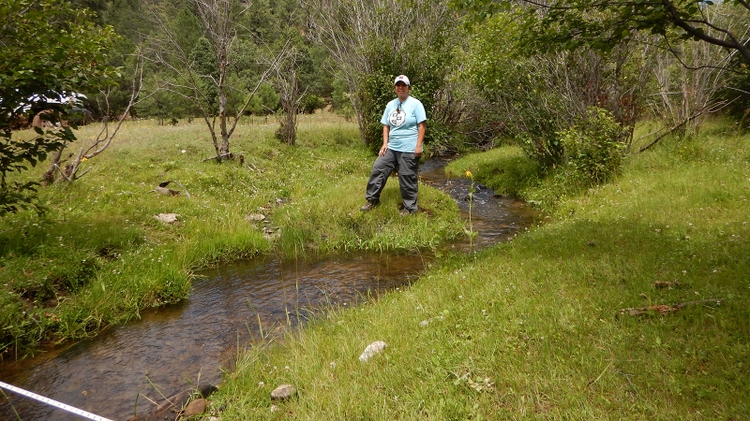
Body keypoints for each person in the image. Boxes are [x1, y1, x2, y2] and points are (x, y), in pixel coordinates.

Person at [360, 75, 427, 216]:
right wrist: (385, 144)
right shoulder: (391, 105)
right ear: (395, 88)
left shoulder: (416, 104)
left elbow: (422, 126)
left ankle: (409, 208)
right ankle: (372, 200)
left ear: (408, 87)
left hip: (409, 148)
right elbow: (386, 125)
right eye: (398, 85)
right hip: (392, 147)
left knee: (407, 177)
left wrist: (418, 145)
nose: (400, 88)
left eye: (403, 85)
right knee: (378, 169)